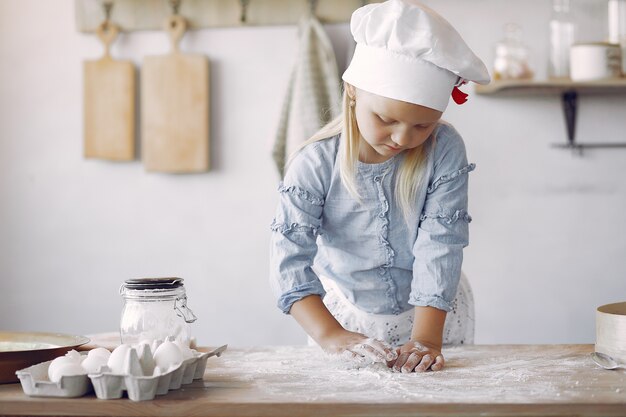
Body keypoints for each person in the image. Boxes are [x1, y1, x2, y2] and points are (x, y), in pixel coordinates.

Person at [269, 0, 490, 373]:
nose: (403, 138)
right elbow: (287, 259)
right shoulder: (314, 163)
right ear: (353, 90)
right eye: (387, 119)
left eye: (423, 126)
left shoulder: (444, 149)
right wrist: (329, 334)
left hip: (435, 314)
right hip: (342, 316)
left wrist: (427, 340)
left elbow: (441, 243)